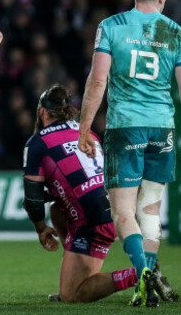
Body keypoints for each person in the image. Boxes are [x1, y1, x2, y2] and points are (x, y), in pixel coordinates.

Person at [77, 0, 181, 307]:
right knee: (149, 209)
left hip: (126, 127)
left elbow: (97, 80)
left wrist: (84, 126)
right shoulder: (177, 34)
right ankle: (146, 275)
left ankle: (142, 274)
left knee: (122, 212)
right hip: (161, 129)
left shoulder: (112, 27)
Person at [22, 85, 140, 302]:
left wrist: (41, 229)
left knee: (72, 295)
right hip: (113, 204)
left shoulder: (38, 142)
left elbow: (33, 200)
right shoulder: (86, 131)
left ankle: (139, 274)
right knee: (57, 209)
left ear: (42, 112)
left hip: (92, 216)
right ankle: (75, 267)